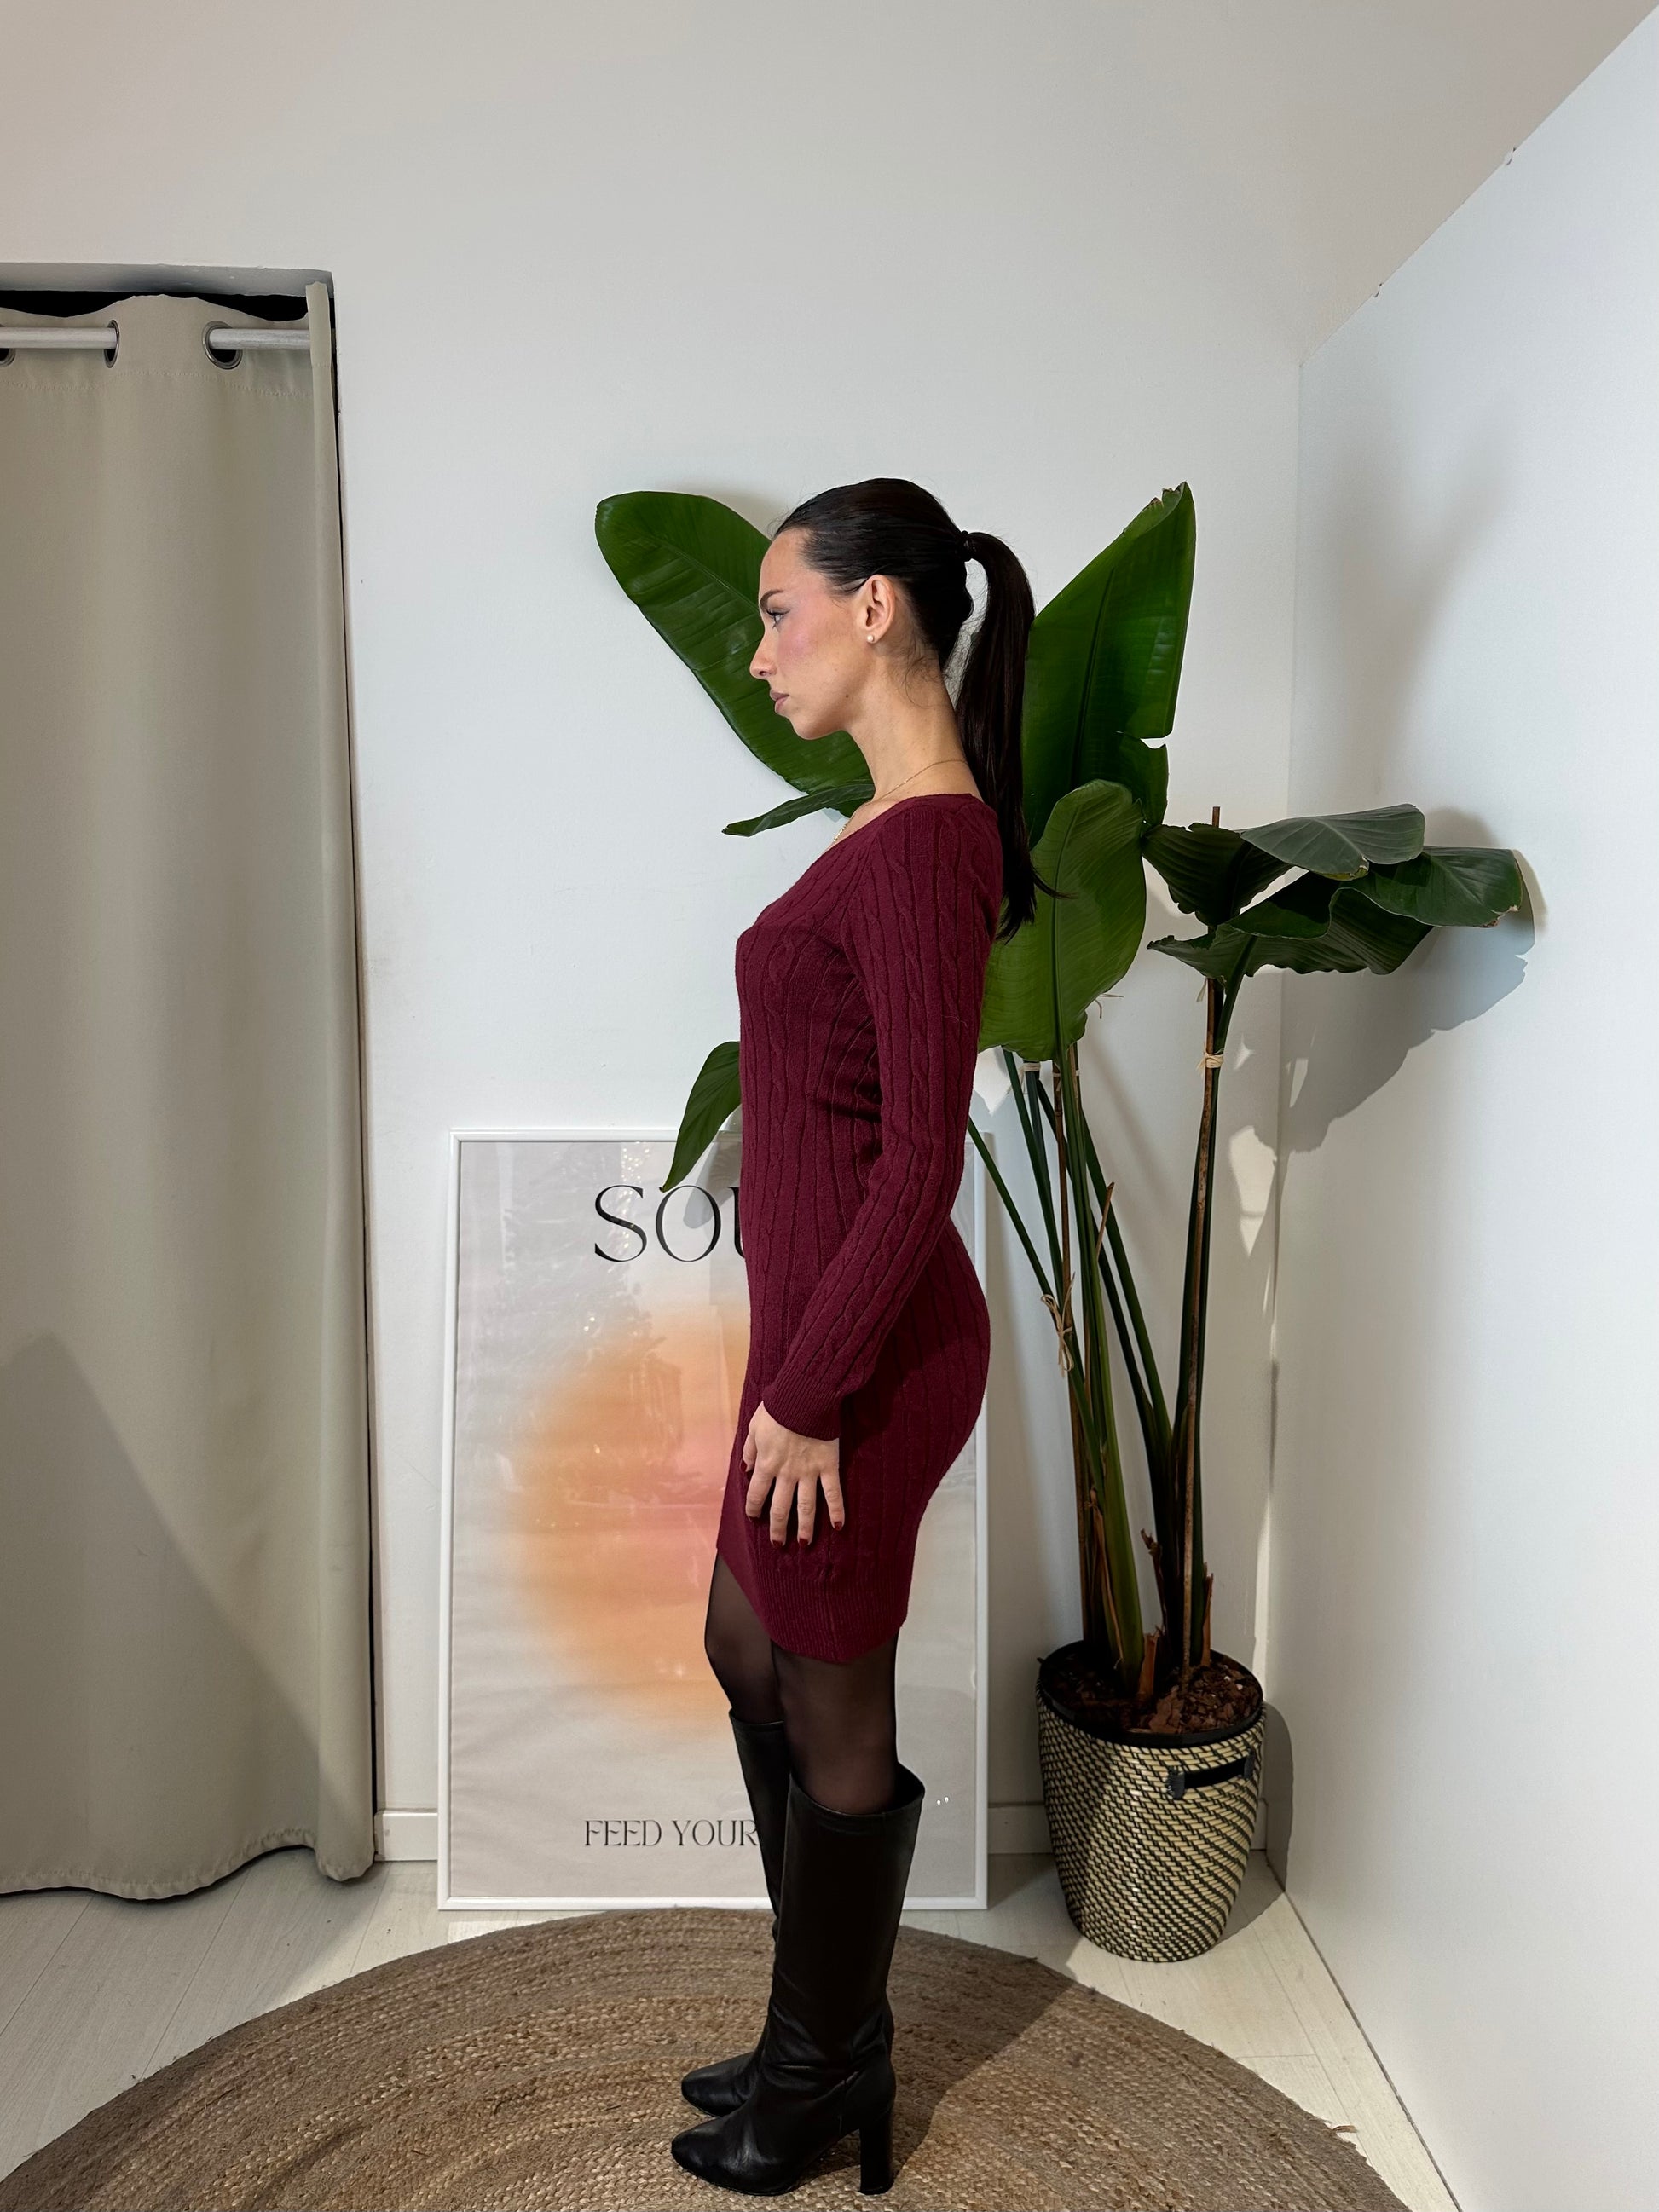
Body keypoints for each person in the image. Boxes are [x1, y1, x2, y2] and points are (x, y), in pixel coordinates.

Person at [669, 478, 1043, 2197]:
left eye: (779, 612)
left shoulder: (928, 840)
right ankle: (823, 2028)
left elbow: (919, 1159)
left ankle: (822, 2068)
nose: (760, 654)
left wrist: (817, 1392)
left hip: (866, 1362)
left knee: (825, 1693)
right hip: (813, 1339)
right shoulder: (884, 827)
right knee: (744, 1641)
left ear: (875, 606)